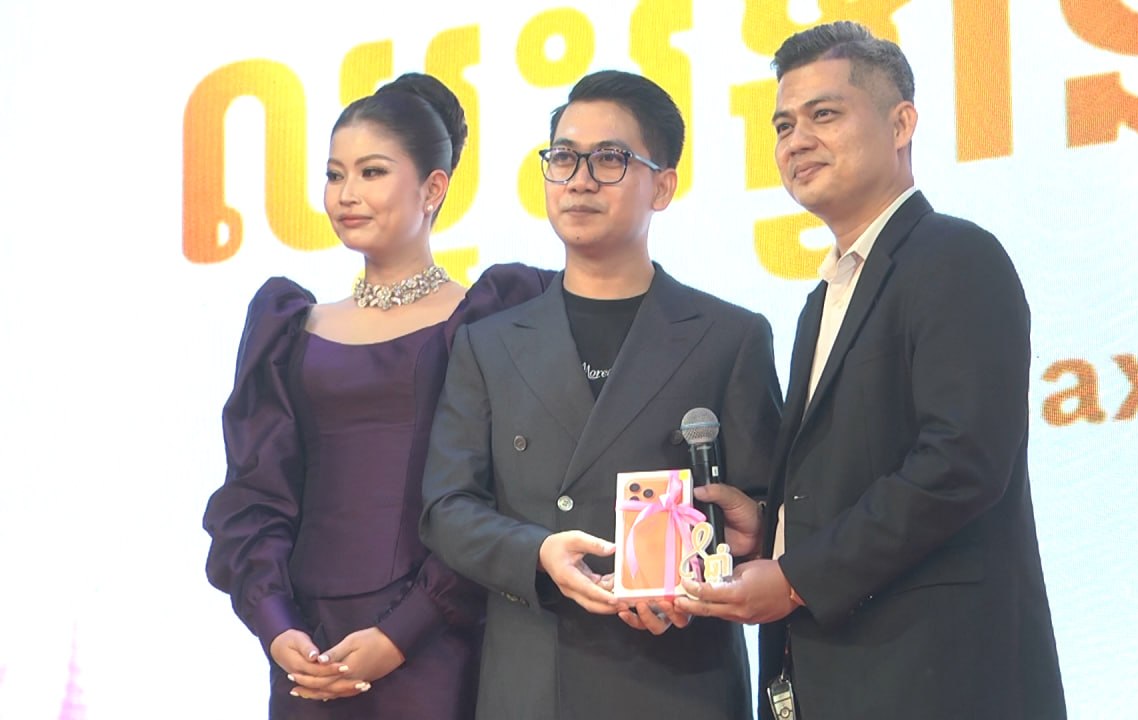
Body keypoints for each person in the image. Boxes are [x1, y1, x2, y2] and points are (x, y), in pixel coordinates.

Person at [675, 22, 1068, 719]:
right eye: (783, 125)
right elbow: (854, 474)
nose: (796, 141)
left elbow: (961, 463)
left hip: (936, 680)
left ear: (901, 124)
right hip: (835, 680)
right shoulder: (821, 300)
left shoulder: (955, 257)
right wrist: (769, 530)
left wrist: (795, 578)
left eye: (824, 114)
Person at [418, 70, 782, 720]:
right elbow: (446, 508)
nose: (579, 180)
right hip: (535, 677)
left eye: (609, 158)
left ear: (663, 186)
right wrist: (536, 553)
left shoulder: (730, 336)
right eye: (563, 157)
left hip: (681, 678)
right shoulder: (489, 343)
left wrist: (736, 539)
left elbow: (768, 510)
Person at [202, 72, 551, 719]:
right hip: (309, 649)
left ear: (433, 188)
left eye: (372, 172)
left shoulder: (487, 319)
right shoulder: (289, 325)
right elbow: (255, 494)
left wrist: (403, 632)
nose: (347, 194)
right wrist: (277, 627)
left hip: (438, 639)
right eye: (335, 175)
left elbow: (500, 494)